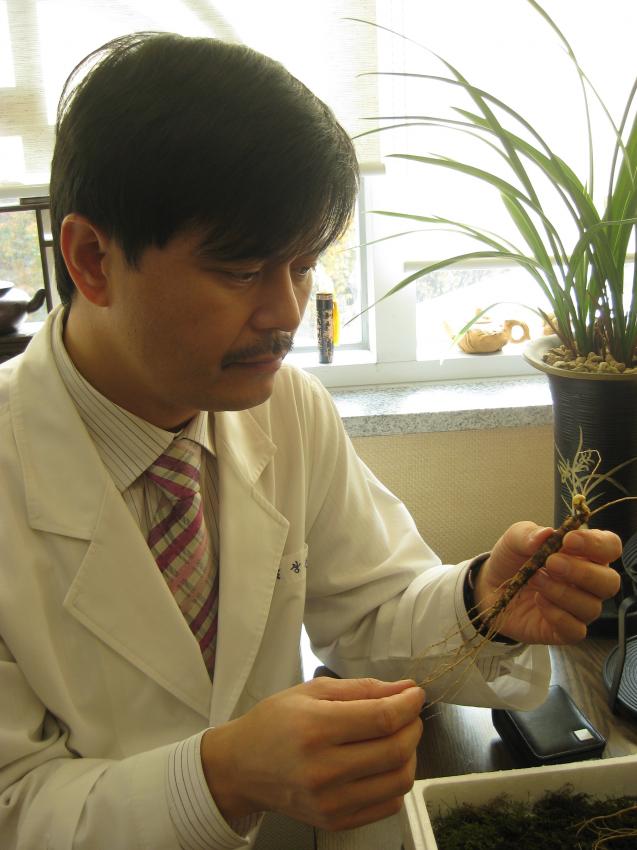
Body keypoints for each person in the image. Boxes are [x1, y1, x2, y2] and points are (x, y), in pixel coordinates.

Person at [0, 32, 621, 850]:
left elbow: (369, 613)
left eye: (302, 267)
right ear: (91, 258)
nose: (287, 313)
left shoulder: (286, 407)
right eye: (241, 270)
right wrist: (218, 780)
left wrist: (483, 604)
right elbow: (13, 804)